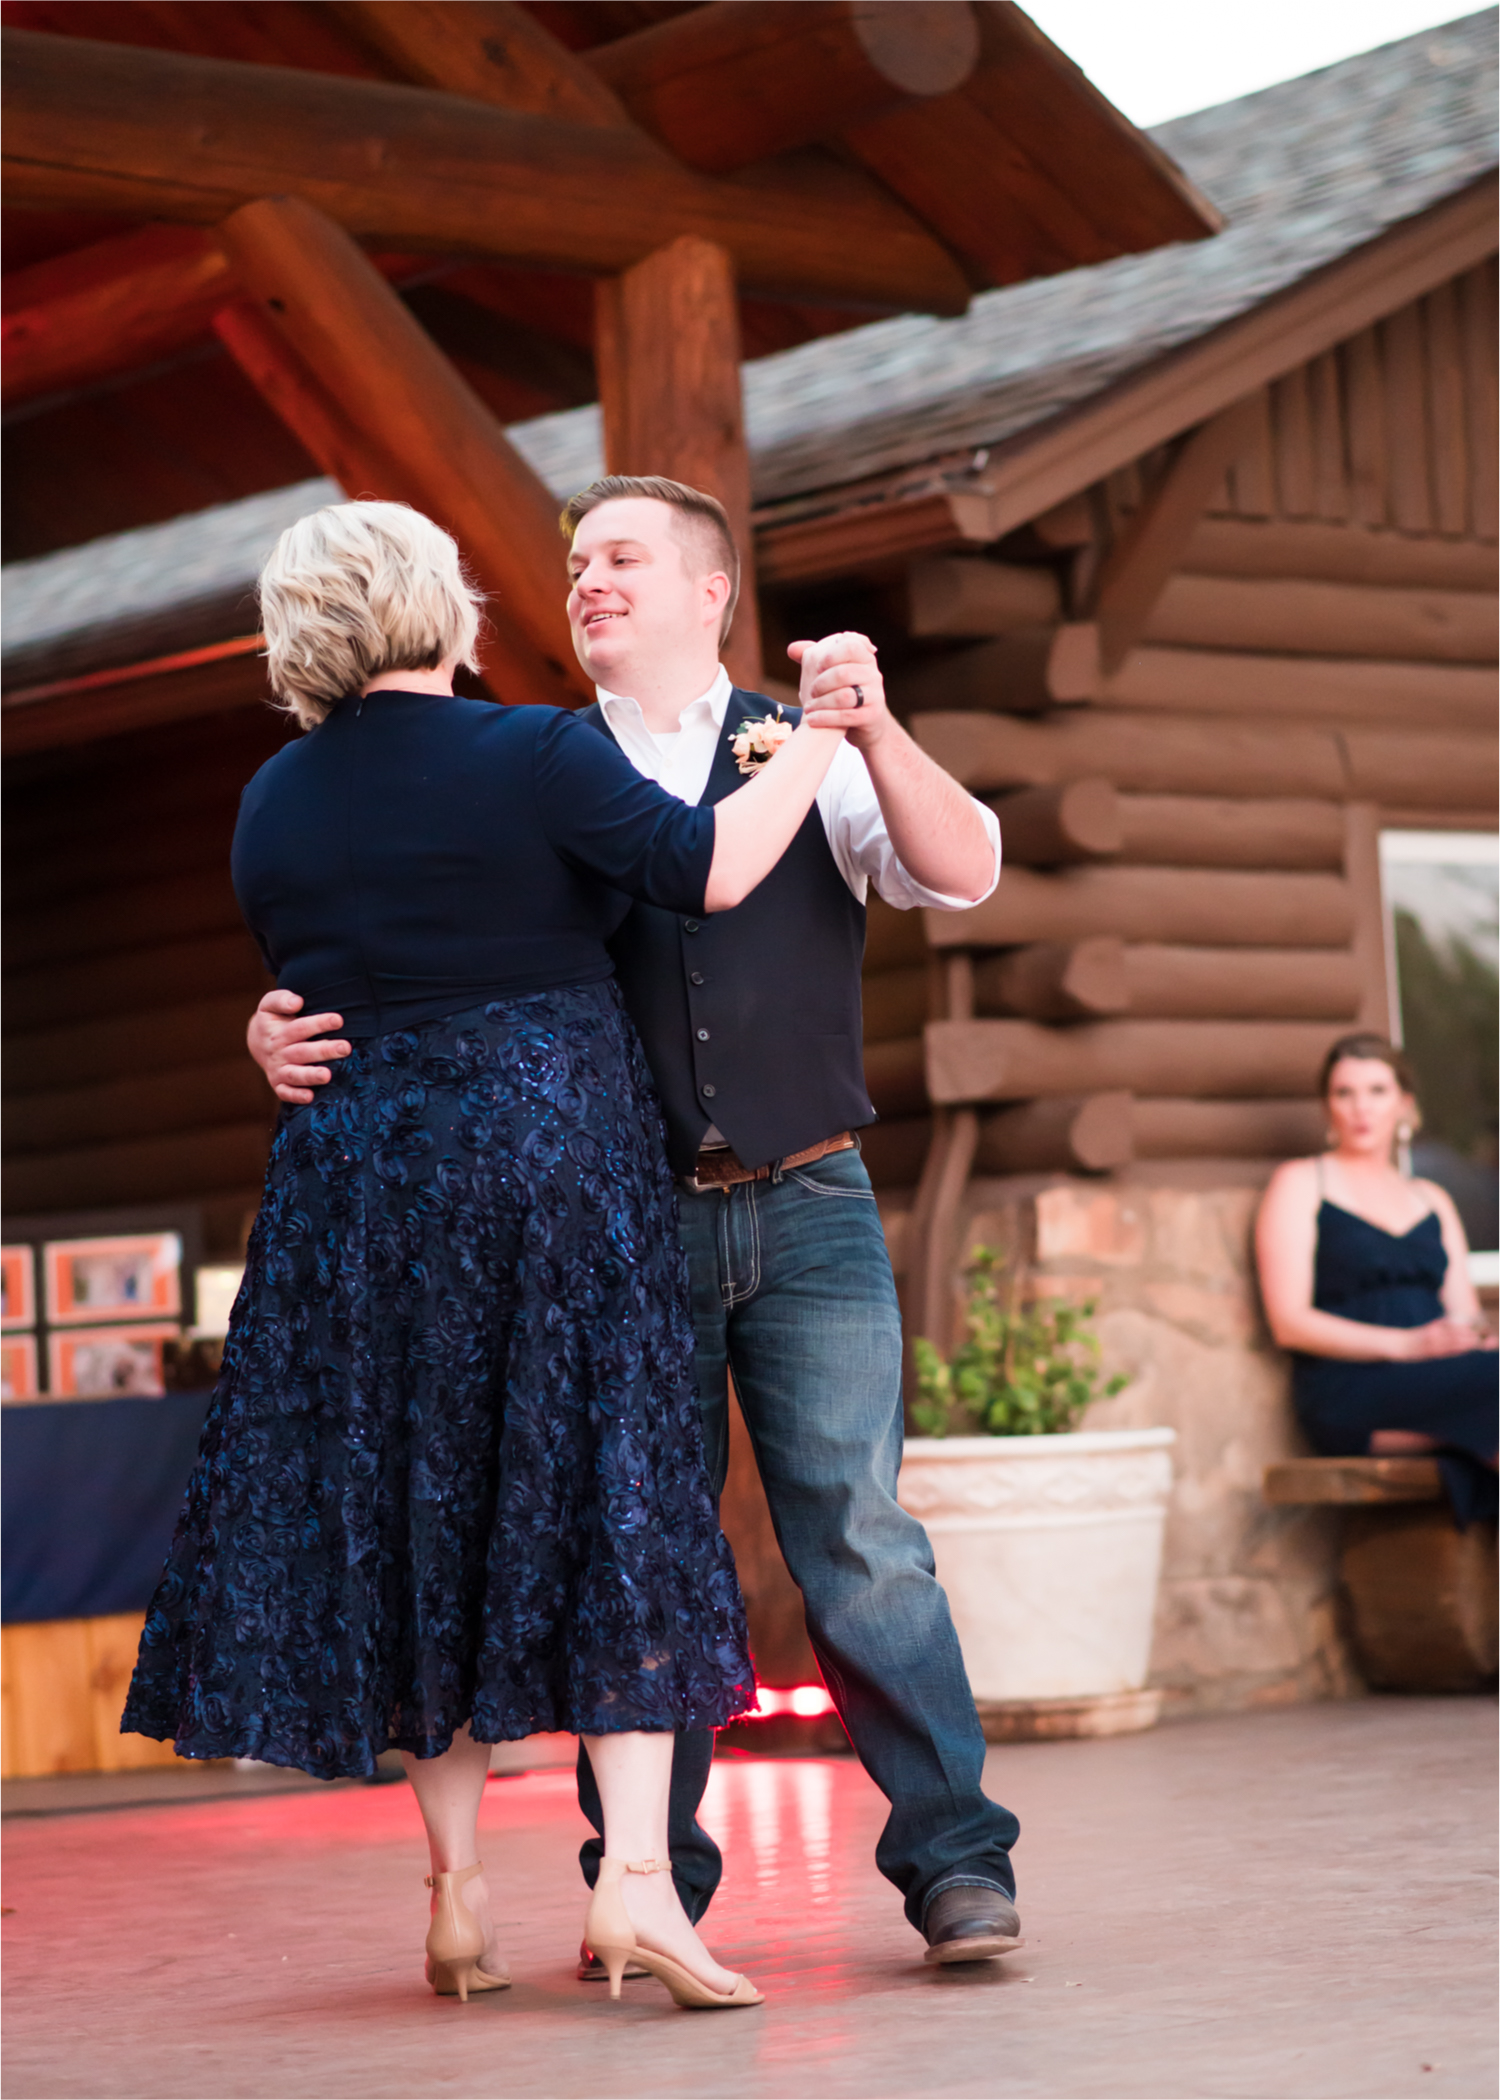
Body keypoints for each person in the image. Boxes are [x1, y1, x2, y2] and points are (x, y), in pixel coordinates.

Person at [250, 475, 1024, 1970]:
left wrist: (867, 728)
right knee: (640, 1541)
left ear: (709, 589)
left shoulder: (799, 741)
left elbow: (968, 867)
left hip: (808, 1202)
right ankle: (652, 1886)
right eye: (573, 562)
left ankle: (956, 1867)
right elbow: (409, 948)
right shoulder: (532, 761)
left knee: (863, 1541)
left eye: (620, 557)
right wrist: (271, 1031)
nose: (586, 581)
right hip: (614, 1230)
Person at [123, 498, 866, 2013]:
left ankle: (457, 1899)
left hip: (357, 1195)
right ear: (434, 611)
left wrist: (270, 1034)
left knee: (423, 1515)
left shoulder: (270, 801)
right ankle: (640, 1891)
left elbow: (312, 986)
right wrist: (820, 737)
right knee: (621, 1499)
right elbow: (710, 869)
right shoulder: (532, 750)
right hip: (549, 1171)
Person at [1256, 1033, 1498, 1525]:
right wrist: (1407, 1344)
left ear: (1405, 1104)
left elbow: (1464, 1315)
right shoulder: (1302, 1182)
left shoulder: (1431, 1198)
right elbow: (1289, 1322)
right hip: (1353, 1385)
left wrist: (1477, 1337)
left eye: (1377, 1091)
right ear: (1328, 1107)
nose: (1360, 1108)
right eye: (1344, 1093)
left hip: (1442, 1376)